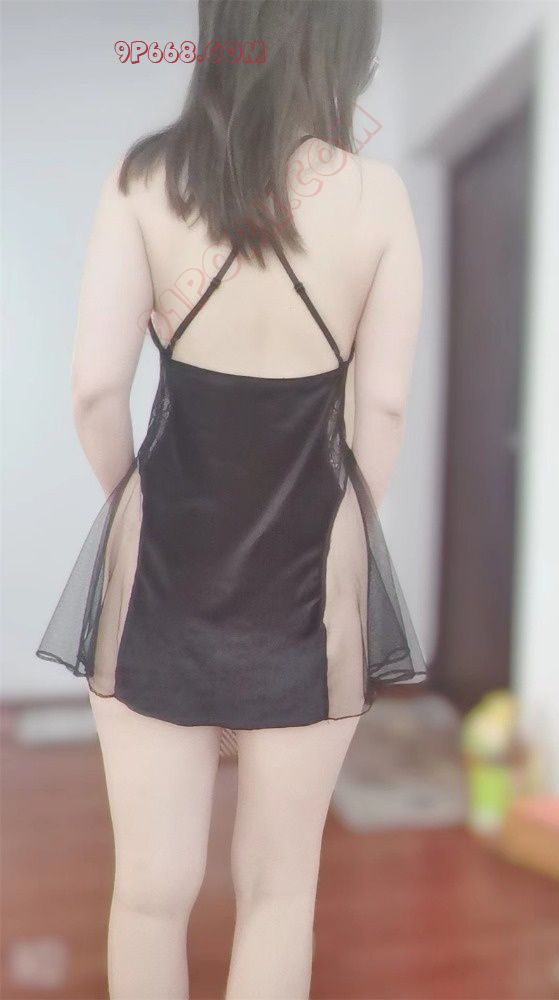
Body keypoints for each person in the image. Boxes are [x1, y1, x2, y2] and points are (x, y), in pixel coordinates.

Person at [36, 1, 426, 997]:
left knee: (149, 891)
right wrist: (341, 527)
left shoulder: (148, 178)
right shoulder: (375, 198)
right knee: (278, 890)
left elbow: (93, 391)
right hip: (306, 573)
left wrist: (135, 501)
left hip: (163, 563)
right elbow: (380, 405)